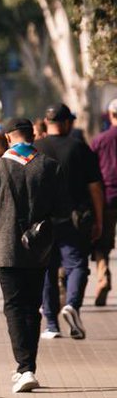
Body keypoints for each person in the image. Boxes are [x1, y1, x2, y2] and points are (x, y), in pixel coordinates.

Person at [0, 118, 68, 393]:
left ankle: (24, 367)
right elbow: (62, 209)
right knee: (33, 307)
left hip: (7, 249)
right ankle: (29, 365)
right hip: (40, 249)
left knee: (14, 308)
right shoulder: (50, 166)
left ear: (8, 138)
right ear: (32, 136)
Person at [36, 104, 103, 339]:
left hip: (42, 221)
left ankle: (51, 324)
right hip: (74, 219)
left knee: (47, 271)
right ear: (66, 123)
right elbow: (95, 187)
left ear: (46, 122)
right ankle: (72, 304)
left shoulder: (36, 149)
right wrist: (99, 219)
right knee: (77, 266)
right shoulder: (79, 148)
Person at [91, 98, 117, 307]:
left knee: (103, 242)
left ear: (110, 115)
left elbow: (92, 173)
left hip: (107, 197)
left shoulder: (99, 140)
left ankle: (102, 275)